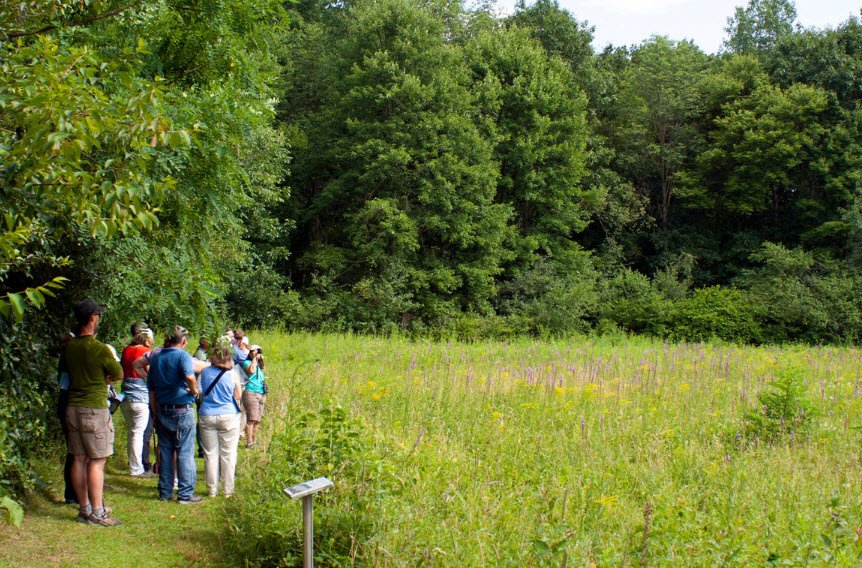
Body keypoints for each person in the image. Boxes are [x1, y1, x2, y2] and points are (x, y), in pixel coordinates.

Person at [65, 299, 123, 526]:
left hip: (72, 407)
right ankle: (98, 513)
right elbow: (118, 373)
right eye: (98, 315)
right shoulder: (99, 348)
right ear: (92, 318)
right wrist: (106, 378)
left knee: (78, 458)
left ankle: (84, 509)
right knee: (97, 460)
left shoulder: (70, 347)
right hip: (94, 409)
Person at [147, 326, 202, 504]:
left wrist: (154, 412)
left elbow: (151, 389)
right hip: (181, 409)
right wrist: (194, 392)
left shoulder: (156, 357)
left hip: (162, 408)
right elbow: (190, 377)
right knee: (185, 452)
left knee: (166, 451)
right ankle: (185, 494)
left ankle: (165, 492)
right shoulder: (182, 356)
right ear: (183, 341)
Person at [198, 336, 242, 497]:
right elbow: (238, 395)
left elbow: (200, 392)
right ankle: (227, 490)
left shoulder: (204, 372)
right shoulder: (232, 374)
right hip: (229, 414)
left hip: (207, 414)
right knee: (228, 454)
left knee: (210, 454)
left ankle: (212, 490)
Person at [120, 325, 155, 477]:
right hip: (140, 396)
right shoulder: (145, 352)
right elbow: (149, 372)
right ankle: (136, 468)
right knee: (138, 433)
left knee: (132, 431)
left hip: (126, 395)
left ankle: (133, 463)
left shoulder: (126, 350)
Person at [56, 329, 77, 504]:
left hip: (64, 402)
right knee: (75, 451)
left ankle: (72, 492)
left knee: (73, 450)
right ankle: (72, 492)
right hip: (70, 404)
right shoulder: (70, 359)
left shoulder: (64, 358)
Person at [241, 344, 266, 448]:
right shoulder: (247, 362)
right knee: (251, 419)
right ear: (250, 353)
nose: (257, 353)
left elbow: (261, 368)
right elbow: (251, 371)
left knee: (257, 419)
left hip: (261, 393)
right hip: (251, 392)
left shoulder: (259, 365)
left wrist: (260, 359)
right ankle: (249, 442)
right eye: (255, 351)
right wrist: (254, 359)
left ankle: (254, 440)